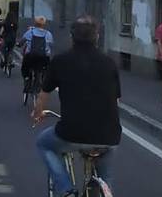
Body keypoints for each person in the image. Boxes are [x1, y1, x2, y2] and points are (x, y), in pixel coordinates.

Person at [33, 16, 121, 197]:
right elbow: (116, 100)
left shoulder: (60, 61)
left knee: (44, 144)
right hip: (110, 134)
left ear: (71, 37)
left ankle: (65, 189)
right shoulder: (109, 63)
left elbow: (43, 94)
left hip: (72, 132)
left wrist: (38, 112)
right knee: (106, 174)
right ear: (96, 37)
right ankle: (105, 189)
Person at [20, 16, 54, 83]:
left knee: (25, 66)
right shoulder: (48, 33)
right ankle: (44, 79)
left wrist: (19, 44)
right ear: (44, 24)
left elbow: (23, 40)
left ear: (35, 23)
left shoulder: (30, 32)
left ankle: (27, 78)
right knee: (47, 68)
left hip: (31, 56)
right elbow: (51, 44)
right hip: (44, 57)